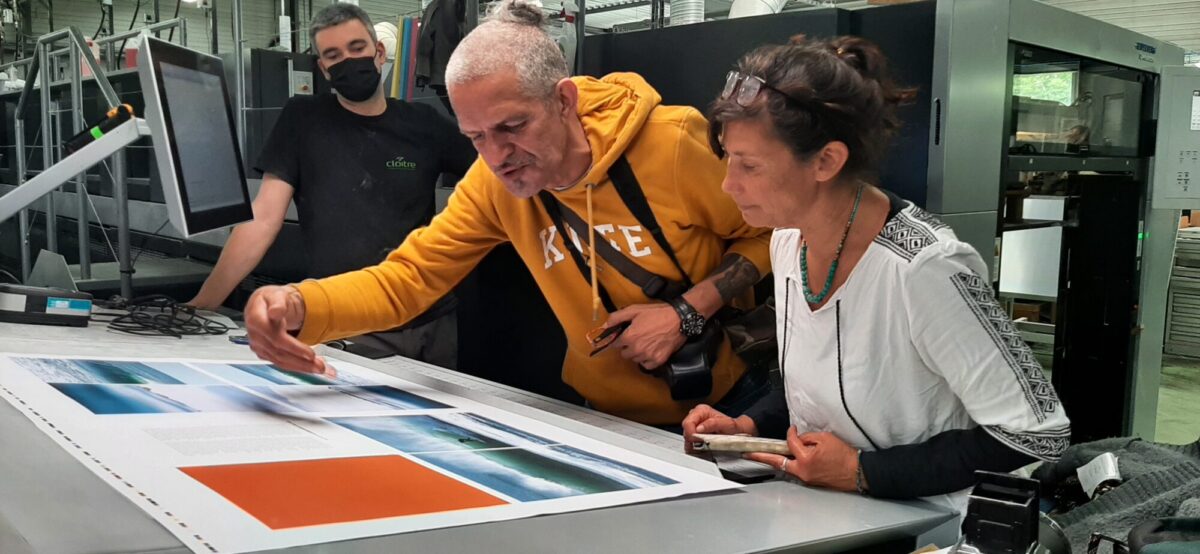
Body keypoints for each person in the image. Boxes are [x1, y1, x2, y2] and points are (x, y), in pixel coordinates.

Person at [240, 0, 773, 427]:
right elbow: (408, 280)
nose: (496, 155)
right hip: (605, 416)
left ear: (563, 101)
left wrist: (686, 312)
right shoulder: (495, 185)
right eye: (476, 137)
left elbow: (775, 235)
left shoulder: (672, 144)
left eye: (512, 127)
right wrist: (295, 304)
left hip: (731, 405)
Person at [683, 35, 1071, 512]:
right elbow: (814, 382)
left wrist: (864, 472)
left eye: (749, 165)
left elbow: (1037, 434)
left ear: (827, 160)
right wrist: (747, 427)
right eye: (727, 157)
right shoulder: (788, 242)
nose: (728, 184)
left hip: (933, 523)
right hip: (828, 511)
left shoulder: (926, 266)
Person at [189, 4, 475, 369]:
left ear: (379, 52)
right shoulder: (303, 120)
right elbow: (263, 218)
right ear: (323, 68)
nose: (347, 61)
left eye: (357, 48)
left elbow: (488, 178)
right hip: (351, 321)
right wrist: (202, 305)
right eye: (333, 55)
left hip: (431, 321)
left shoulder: (424, 123)